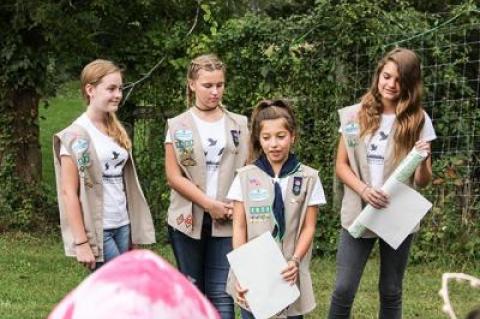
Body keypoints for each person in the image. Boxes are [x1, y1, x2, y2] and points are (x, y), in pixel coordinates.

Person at [327, 48, 437, 318]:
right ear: (378, 76)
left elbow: (423, 181)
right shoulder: (354, 116)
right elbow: (341, 165)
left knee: (390, 290)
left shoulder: (418, 120)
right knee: (343, 288)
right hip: (359, 211)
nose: (390, 84)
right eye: (386, 76)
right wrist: (364, 189)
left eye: (399, 80)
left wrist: (423, 159)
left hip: (396, 214)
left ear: (409, 84)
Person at [164, 53, 249, 319]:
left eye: (220, 85)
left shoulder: (239, 123)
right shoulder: (178, 125)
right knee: (192, 291)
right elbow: (174, 176)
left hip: (227, 217)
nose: (215, 92)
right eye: (207, 85)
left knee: (222, 294)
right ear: (192, 84)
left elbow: (248, 169)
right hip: (188, 219)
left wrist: (233, 206)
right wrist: (207, 204)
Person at [226, 99, 327, 319]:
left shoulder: (309, 178)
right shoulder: (244, 177)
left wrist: (295, 260)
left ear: (293, 137)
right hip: (254, 273)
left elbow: (309, 227)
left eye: (281, 136)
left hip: (289, 272)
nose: (274, 144)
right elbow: (239, 227)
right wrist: (243, 272)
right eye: (266, 137)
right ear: (258, 140)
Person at [53, 59, 155, 271]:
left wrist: (133, 229)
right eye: (111, 88)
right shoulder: (75, 135)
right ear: (90, 89)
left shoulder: (115, 130)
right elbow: (68, 193)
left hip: (122, 223)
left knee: (118, 293)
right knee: (119, 287)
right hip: (100, 228)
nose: (118, 94)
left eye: (120, 88)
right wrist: (81, 242)